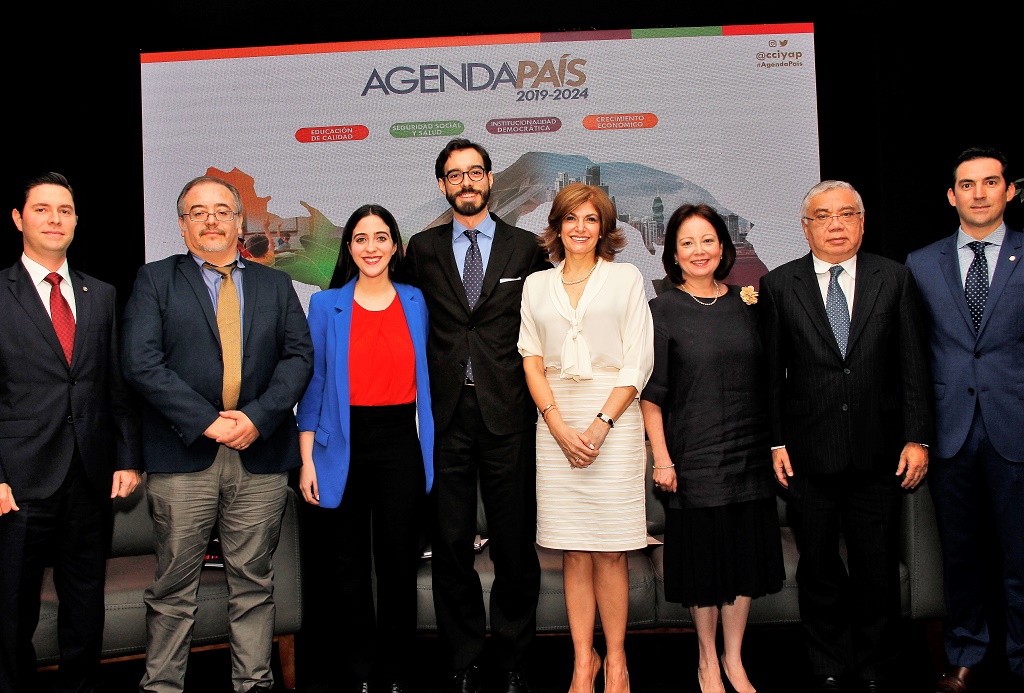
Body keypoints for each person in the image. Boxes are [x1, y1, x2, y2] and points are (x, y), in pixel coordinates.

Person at [121, 175, 313, 693]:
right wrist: (208, 422)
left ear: (238, 222)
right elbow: (140, 363)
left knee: (253, 583)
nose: (211, 220)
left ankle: (254, 684)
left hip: (260, 451)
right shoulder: (155, 280)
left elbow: (299, 358)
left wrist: (257, 418)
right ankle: (162, 686)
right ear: (183, 225)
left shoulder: (275, 284)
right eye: (198, 212)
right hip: (184, 452)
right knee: (173, 587)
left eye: (222, 211)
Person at [760, 180, 934, 693]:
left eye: (846, 215)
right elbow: (770, 377)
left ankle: (878, 667)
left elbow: (913, 367)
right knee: (818, 568)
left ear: (861, 222)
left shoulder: (894, 279)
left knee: (877, 566)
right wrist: (775, 443)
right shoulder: (779, 285)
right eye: (823, 216)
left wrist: (918, 437)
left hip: (879, 452)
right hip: (807, 456)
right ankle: (828, 665)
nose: (835, 225)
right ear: (806, 226)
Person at [398, 138, 549, 693]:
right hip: (444, 417)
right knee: (452, 545)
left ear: (490, 180)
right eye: (455, 174)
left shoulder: (526, 247)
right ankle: (462, 661)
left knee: (513, 546)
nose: (467, 182)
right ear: (442, 185)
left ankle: (512, 660)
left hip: (509, 413)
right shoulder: (422, 249)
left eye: (476, 172)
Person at [0, 172, 142, 693]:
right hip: (18, 485)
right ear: (19, 219)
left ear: (77, 221)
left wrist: (128, 458)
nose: (54, 219)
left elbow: (116, 386)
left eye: (64, 210)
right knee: (11, 610)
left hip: (90, 477)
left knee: (84, 606)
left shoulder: (100, 294)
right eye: (42, 209)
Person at [640, 203, 784, 693]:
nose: (699, 251)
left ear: (723, 247)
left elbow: (769, 381)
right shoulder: (662, 310)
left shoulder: (749, 302)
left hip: (748, 452)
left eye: (707, 240)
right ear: (673, 254)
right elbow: (651, 396)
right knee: (705, 569)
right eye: (687, 243)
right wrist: (663, 458)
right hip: (692, 458)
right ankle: (706, 662)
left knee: (743, 564)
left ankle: (734, 659)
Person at [518, 182, 653, 693]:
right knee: (574, 550)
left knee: (612, 550)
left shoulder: (626, 278)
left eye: (591, 219)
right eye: (571, 218)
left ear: (605, 228)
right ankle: (583, 661)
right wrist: (555, 423)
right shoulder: (536, 285)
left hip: (613, 420)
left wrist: (600, 424)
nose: (580, 228)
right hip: (554, 417)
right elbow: (530, 359)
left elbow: (639, 360)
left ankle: (616, 661)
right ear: (556, 226)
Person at [295, 204, 434, 693]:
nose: (371, 247)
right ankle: (359, 674)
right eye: (360, 238)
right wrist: (307, 459)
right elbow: (312, 386)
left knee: (398, 565)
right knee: (347, 567)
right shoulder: (326, 304)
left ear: (395, 245)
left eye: (380, 237)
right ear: (349, 248)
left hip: (401, 443)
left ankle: (397, 673)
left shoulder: (417, 300)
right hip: (341, 445)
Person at [905, 147, 1023, 693]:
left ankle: (1021, 656)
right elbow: (914, 355)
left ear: (1009, 191)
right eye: (967, 185)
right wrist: (919, 433)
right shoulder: (922, 263)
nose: (979, 193)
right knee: (961, 555)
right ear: (952, 196)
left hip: (1016, 428)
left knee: (1021, 556)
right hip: (949, 432)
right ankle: (966, 655)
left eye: (990, 182)